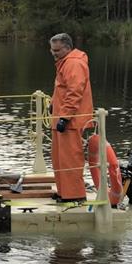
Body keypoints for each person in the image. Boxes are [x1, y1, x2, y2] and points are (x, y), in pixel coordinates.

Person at [49, 33, 94, 202]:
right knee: (59, 159)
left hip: (70, 121)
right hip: (62, 118)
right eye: (52, 50)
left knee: (70, 160)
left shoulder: (74, 63)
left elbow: (75, 92)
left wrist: (64, 118)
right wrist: (53, 103)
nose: (54, 53)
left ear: (67, 48)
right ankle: (64, 192)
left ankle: (74, 195)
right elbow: (63, 88)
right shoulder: (65, 62)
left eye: (57, 50)